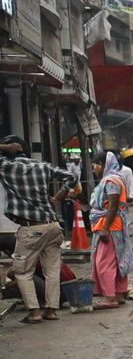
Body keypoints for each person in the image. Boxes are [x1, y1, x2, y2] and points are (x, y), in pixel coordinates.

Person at [0, 133, 77, 323]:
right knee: (51, 271)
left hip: (31, 229)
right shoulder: (43, 166)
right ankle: (50, 311)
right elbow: (71, 177)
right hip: (52, 226)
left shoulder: (6, 166)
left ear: (11, 148)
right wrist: (57, 197)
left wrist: (4, 149)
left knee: (22, 272)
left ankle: (34, 312)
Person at [90, 151, 133, 307]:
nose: (94, 169)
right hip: (114, 225)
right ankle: (119, 294)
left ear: (102, 164)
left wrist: (105, 228)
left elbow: (113, 206)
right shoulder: (114, 179)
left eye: (95, 165)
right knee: (117, 260)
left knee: (104, 263)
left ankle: (110, 298)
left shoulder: (111, 181)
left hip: (110, 226)